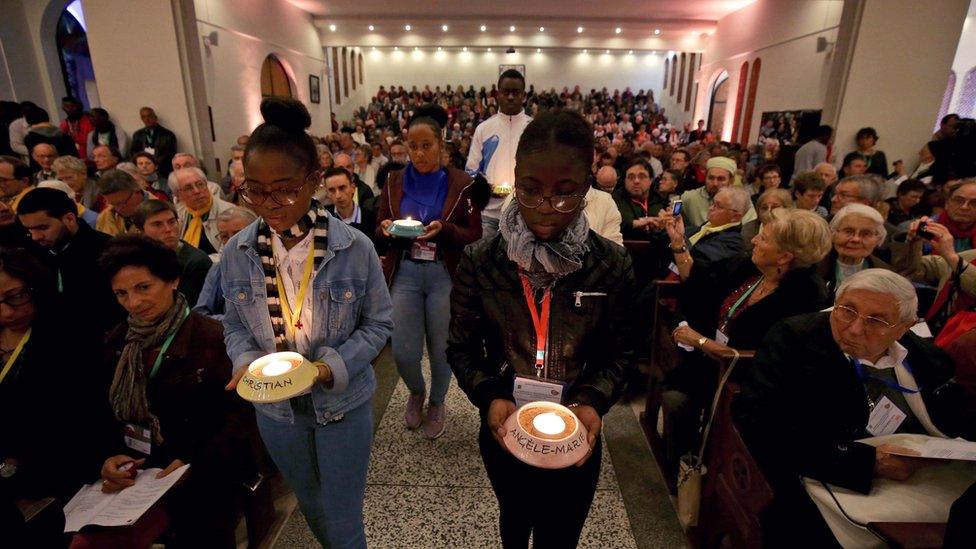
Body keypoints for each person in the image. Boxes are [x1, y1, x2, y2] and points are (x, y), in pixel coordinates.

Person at [448, 108, 635, 548]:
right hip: (506, 421)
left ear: (587, 186)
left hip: (575, 424)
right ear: (515, 178)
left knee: (560, 533)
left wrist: (591, 400)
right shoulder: (482, 261)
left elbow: (621, 353)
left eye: (565, 193)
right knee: (514, 518)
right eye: (530, 190)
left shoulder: (610, 265)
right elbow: (461, 346)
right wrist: (490, 394)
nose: (545, 207)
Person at [222, 98, 392, 548]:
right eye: (254, 190)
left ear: (314, 181)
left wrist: (324, 368)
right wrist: (243, 360)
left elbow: (378, 325)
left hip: (340, 405)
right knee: (311, 505)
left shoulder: (353, 248)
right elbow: (235, 323)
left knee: (342, 514)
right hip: (275, 410)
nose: (268, 203)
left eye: (283, 189)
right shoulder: (237, 251)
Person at [732, 269, 976, 546]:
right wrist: (867, 463)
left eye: (876, 320)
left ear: (904, 327)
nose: (855, 328)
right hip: (829, 472)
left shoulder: (924, 355)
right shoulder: (793, 340)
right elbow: (759, 422)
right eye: (847, 310)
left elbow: (956, 413)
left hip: (922, 472)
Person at [92, 235, 255, 548]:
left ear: (173, 280)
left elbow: (239, 420)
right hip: (138, 471)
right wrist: (108, 455)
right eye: (121, 294)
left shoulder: (213, 339)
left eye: (144, 287)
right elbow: (102, 409)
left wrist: (192, 462)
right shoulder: (118, 342)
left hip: (203, 476)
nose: (134, 303)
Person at [664, 209, 831, 468]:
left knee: (680, 401)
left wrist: (701, 341)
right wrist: (678, 244)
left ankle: (705, 473)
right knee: (675, 398)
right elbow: (701, 281)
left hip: (749, 382)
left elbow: (773, 357)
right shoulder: (750, 267)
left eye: (763, 239)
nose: (753, 240)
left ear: (785, 257)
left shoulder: (806, 295)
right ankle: (681, 465)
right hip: (712, 363)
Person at [376, 104, 481, 439]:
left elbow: (473, 232)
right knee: (404, 350)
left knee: (441, 348)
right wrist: (387, 228)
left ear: (441, 146)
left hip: (442, 274)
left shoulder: (461, 184)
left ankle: (437, 402)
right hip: (405, 271)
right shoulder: (393, 180)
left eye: (426, 146)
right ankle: (416, 390)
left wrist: (445, 229)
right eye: (413, 146)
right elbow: (378, 227)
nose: (419, 153)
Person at [0, 248, 109, 511]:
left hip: (51, 475)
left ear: (36, 288)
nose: (5, 312)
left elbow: (80, 415)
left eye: (15, 297)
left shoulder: (69, 334)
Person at [16, 187, 124, 334]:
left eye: (42, 227)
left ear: (69, 219)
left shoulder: (110, 251)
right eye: (29, 230)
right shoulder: (30, 251)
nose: (35, 236)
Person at [466, 69, 532, 239]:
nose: (510, 97)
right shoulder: (484, 129)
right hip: (489, 214)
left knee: (519, 264)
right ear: (498, 94)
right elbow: (471, 170)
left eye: (516, 92)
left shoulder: (534, 128)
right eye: (506, 92)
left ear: (524, 95)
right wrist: (486, 189)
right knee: (484, 262)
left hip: (523, 213)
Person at [892, 215, 976, 337]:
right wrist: (912, 241)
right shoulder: (970, 257)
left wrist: (951, 256)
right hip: (938, 334)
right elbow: (913, 270)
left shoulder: (956, 259)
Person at [132, 200, 212, 305]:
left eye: (172, 222)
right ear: (140, 232)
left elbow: (189, 308)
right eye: (157, 224)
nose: (168, 229)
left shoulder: (196, 262)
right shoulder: (134, 259)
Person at [666, 186, 752, 280]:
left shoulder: (733, 242)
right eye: (713, 203)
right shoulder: (698, 228)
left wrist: (679, 241)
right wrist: (663, 227)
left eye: (718, 206)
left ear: (735, 216)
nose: (711, 208)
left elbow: (695, 263)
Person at [816, 203, 893, 297]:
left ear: (878, 239)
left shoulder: (885, 276)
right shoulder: (812, 268)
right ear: (833, 234)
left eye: (866, 233)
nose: (855, 239)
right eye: (848, 231)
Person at [193, 206, 257, 317]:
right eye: (224, 236)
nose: (231, 242)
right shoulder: (218, 269)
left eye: (238, 234)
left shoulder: (273, 262)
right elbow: (200, 314)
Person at [679, 155, 756, 229]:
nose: (715, 183)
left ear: (731, 181)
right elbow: (674, 207)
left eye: (721, 179)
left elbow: (749, 227)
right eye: (711, 178)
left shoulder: (741, 200)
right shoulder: (690, 197)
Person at [173, 167, 235, 256]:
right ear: (178, 195)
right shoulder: (183, 214)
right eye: (188, 188)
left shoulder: (229, 212)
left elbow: (230, 254)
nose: (197, 191)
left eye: (200, 184)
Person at [323, 167, 376, 238]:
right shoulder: (324, 218)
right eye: (332, 190)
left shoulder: (371, 218)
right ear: (327, 193)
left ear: (353, 188)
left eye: (342, 188)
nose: (338, 195)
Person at [95, 169, 151, 236]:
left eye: (122, 202)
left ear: (137, 190)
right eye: (112, 204)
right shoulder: (105, 217)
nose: (118, 209)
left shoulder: (161, 212)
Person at [929, 179, 976, 252]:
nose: (964, 207)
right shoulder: (927, 228)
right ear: (947, 203)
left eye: (974, 203)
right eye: (958, 200)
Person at [130, 107, 177, 177]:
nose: (147, 119)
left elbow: (170, 154)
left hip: (163, 171)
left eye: (149, 116)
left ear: (155, 117)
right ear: (141, 119)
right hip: (143, 170)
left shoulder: (168, 135)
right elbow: (133, 153)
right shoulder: (137, 135)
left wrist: (153, 164)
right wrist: (143, 164)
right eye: (144, 117)